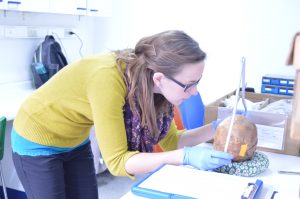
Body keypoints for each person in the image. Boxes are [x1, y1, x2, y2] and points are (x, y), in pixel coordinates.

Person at [11, 30, 233, 199]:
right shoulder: (108, 80)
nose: (194, 92)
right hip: (37, 138)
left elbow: (172, 141)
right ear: (159, 78)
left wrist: (216, 128)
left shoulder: (155, 89)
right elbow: (117, 162)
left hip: (74, 140)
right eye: (189, 84)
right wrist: (184, 157)